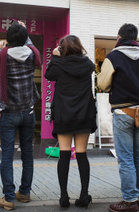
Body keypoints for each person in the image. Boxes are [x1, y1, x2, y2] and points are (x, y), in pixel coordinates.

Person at [97, 23, 139, 212]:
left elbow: (103, 85)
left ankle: (129, 201)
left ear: (119, 37)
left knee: (126, 158)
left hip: (123, 112)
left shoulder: (113, 57)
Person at [0, 21, 41, 211]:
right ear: (25, 38)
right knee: (28, 153)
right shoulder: (32, 53)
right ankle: (24, 192)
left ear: (8, 40)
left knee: (7, 156)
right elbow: (32, 46)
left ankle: (9, 197)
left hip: (9, 114)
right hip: (28, 112)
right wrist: (24, 31)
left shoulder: (2, 55)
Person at [45, 35, 97, 208]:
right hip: (84, 114)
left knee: (64, 154)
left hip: (64, 115)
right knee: (82, 153)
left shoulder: (59, 65)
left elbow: (48, 75)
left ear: (63, 49)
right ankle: (84, 196)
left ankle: (64, 197)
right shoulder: (88, 64)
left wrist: (54, 57)